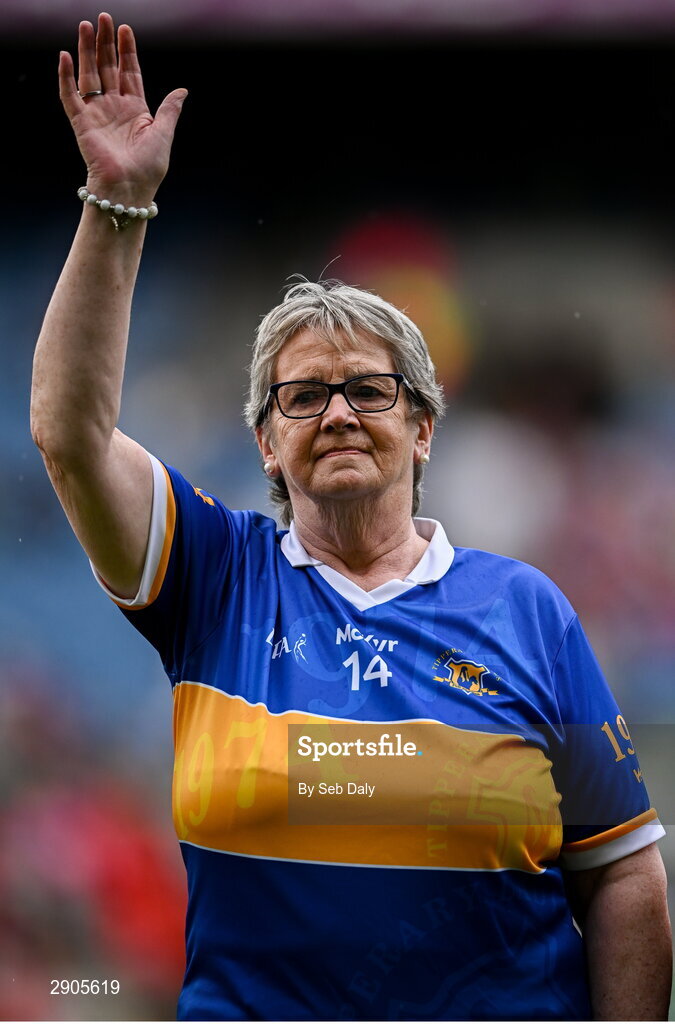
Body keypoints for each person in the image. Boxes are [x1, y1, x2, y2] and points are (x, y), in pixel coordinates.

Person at [31, 13, 672, 1022]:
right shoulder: (215, 575)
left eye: (370, 391)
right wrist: (117, 205)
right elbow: (69, 432)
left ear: (423, 430)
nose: (336, 412)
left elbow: (625, 875)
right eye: (302, 396)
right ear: (263, 442)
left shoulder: (527, 611)